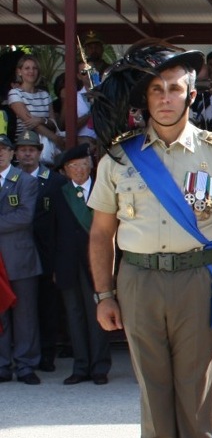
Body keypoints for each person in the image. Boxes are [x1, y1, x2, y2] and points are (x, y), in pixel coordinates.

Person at [88, 41, 212, 438]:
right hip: (138, 280)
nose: (165, 97)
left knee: (196, 386)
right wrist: (104, 294)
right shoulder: (119, 159)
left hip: (197, 280)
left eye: (175, 88)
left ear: (192, 94)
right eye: (156, 89)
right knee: (152, 384)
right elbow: (101, 235)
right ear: (145, 98)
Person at [53, 143, 112, 385]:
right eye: (73, 166)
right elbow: (50, 233)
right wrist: (54, 267)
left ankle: (99, 367)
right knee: (74, 315)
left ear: (91, 165)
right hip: (68, 264)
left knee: (98, 313)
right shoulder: (57, 193)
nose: (79, 170)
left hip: (96, 264)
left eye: (82, 164)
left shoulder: (103, 190)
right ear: (65, 170)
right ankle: (80, 366)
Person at [15, 130, 68, 373]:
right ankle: (22, 353)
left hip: (47, 252)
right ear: (16, 153)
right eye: (22, 149)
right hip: (18, 253)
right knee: (23, 306)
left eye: (32, 149)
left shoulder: (55, 181)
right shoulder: (9, 180)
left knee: (48, 304)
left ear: (39, 153)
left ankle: (47, 354)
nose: (27, 153)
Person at [0, 133, 42, 385]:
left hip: (19, 258)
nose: (0, 154)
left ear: (11, 154)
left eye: (4, 150)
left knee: (25, 314)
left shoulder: (25, 181)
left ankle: (26, 365)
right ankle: (2, 364)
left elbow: (24, 217)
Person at [7, 54, 63, 156]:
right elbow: (31, 124)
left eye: (34, 68)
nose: (31, 71)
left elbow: (53, 123)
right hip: (26, 144)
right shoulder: (15, 93)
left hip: (47, 145)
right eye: (27, 68)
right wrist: (56, 139)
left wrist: (41, 120)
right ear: (19, 72)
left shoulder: (45, 95)